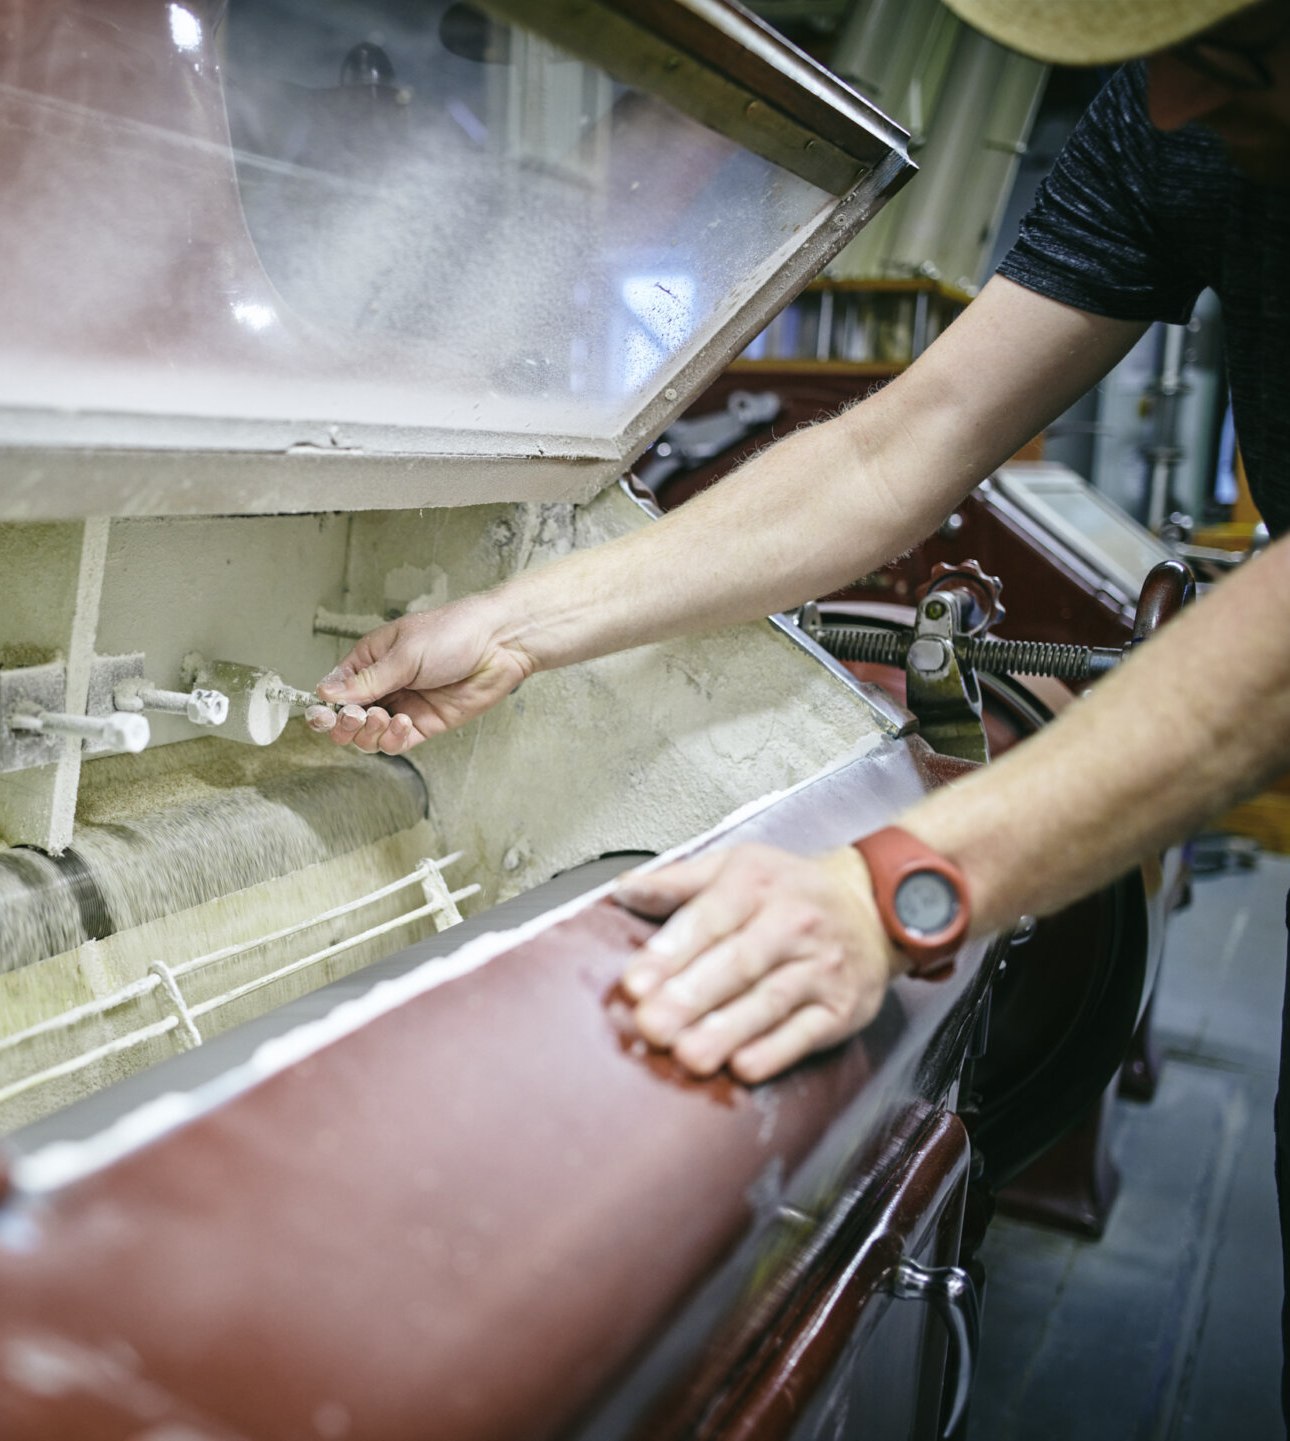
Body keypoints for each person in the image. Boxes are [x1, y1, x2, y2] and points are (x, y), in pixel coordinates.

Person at [308, 0, 1290, 1402]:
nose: (1184, 105)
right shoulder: (1165, 120)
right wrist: (523, 622)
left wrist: (906, 883)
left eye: (1242, 57)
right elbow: (904, 444)